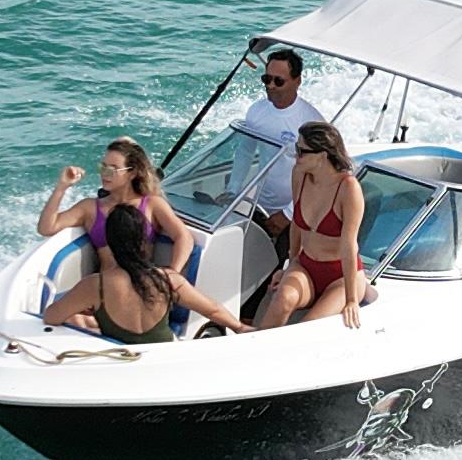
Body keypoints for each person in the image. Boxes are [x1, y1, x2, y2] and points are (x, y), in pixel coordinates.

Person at [43, 201, 244, 343]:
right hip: (162, 355)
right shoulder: (168, 280)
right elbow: (212, 310)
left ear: (110, 243)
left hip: (118, 357)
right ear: (143, 242)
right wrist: (241, 328)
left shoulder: (95, 285)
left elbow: (51, 317)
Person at [255, 121, 369, 331]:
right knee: (283, 299)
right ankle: (253, 355)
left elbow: (349, 245)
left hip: (340, 277)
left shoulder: (348, 188)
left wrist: (352, 300)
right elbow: (297, 225)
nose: (296, 156)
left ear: (322, 155)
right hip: (306, 265)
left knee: (308, 328)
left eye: (301, 151)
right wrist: (289, 266)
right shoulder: (300, 174)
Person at [38, 136, 194, 275]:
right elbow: (47, 228)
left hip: (142, 286)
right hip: (104, 289)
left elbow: (183, 237)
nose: (105, 174)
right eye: (103, 167)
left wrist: (173, 273)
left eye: (113, 169)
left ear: (132, 173)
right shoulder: (90, 208)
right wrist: (61, 187)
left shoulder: (152, 204)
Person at [229, 46, 313, 244]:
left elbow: (318, 177)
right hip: (259, 205)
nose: (270, 85)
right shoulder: (257, 111)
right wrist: (233, 190)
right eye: (266, 79)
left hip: (298, 211)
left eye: (279, 81)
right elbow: (245, 152)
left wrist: (289, 213)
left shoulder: (310, 122)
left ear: (297, 81)